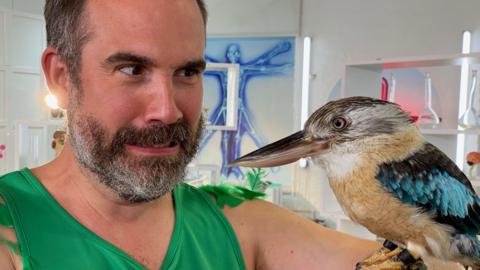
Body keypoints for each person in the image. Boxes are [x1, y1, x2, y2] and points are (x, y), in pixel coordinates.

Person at [0, 0, 382, 269]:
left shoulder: (239, 224)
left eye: (187, 73)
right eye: (132, 70)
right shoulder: (10, 230)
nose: (167, 110)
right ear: (62, 77)